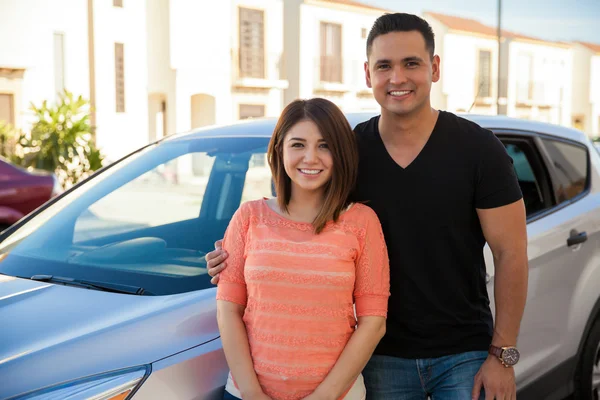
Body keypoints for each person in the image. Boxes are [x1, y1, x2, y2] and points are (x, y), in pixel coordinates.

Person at [210, 13, 528, 400]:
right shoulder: (349, 153)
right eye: (384, 66)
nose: (397, 78)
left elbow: (511, 253)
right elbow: (298, 226)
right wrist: (233, 261)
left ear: (435, 68)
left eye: (411, 63)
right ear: (367, 74)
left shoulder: (479, 151)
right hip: (378, 357)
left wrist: (503, 355)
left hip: (463, 353)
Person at [216, 98, 390, 400]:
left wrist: (322, 397)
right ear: (279, 149)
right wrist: (253, 394)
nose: (311, 157)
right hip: (246, 394)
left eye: (325, 146)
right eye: (298, 145)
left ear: (341, 154)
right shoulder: (249, 217)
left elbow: (373, 323)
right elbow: (228, 310)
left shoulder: (362, 222)